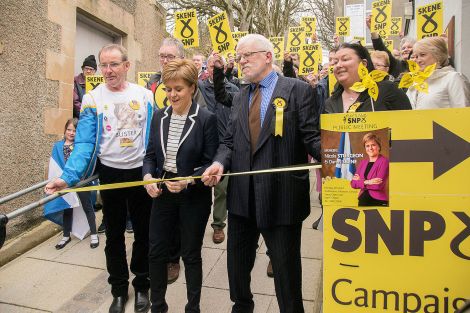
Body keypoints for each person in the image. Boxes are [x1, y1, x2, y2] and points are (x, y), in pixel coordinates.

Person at [202, 34, 321, 313]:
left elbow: (312, 138)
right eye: (238, 56)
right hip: (242, 200)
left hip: (281, 199)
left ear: (268, 56)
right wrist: (219, 164)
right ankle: (242, 307)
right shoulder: (240, 95)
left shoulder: (297, 90)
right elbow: (230, 142)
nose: (241, 61)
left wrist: (337, 159)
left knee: (286, 273)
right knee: (237, 268)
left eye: (247, 56)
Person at [45, 43, 154, 313]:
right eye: (104, 65)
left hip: (141, 174)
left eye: (114, 64)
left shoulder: (144, 96)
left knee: (143, 233)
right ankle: (119, 289)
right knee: (114, 235)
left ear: (127, 66)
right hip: (110, 174)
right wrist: (68, 177)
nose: (108, 70)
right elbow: (83, 143)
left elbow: (154, 139)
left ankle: (142, 285)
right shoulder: (94, 99)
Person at [143, 59, 218, 313]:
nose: (172, 95)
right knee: (156, 251)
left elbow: (210, 162)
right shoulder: (158, 117)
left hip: (193, 197)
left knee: (190, 254)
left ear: (192, 88)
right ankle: (158, 306)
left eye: (178, 89)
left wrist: (189, 180)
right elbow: (150, 155)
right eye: (168, 89)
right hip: (163, 192)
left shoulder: (206, 119)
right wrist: (147, 177)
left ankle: (192, 307)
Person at [199, 53, 239, 244]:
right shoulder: (199, 88)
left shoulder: (232, 90)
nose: (213, 69)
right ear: (206, 69)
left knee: (221, 189)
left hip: (223, 145)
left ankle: (218, 225)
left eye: (217, 66)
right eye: (211, 66)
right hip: (203, 145)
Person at [44, 118, 99, 249]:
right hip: (64, 183)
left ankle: (94, 233)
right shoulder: (58, 146)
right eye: (69, 129)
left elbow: (86, 163)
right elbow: (54, 164)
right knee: (67, 208)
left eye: (75, 130)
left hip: (81, 182)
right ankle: (66, 235)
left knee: (87, 207)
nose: (71, 133)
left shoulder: (81, 147)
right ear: (64, 130)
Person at [324, 43, 412, 113]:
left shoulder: (387, 90)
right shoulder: (330, 103)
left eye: (345, 59)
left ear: (364, 63)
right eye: (335, 62)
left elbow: (408, 126)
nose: (338, 65)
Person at [406, 37, 470, 109]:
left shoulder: (453, 78)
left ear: (438, 55)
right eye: (416, 56)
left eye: (422, 55)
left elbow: (462, 113)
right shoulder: (416, 82)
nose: (418, 60)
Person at [351, 133, 389, 207]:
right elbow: (353, 184)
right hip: (362, 200)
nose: (370, 148)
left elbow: (378, 185)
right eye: (367, 146)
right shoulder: (363, 162)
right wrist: (368, 182)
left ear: (379, 146)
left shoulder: (384, 161)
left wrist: (361, 181)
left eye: (373, 145)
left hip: (378, 201)